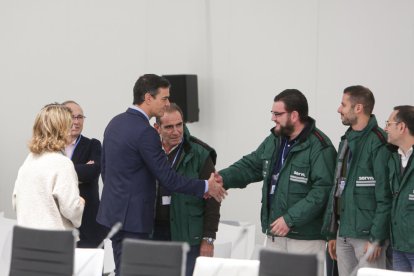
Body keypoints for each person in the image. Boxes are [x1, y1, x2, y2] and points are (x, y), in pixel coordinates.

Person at [97, 74, 226, 275]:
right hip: (137, 222)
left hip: (114, 217)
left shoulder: (115, 123)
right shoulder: (145, 132)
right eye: (164, 99)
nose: (166, 104)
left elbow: (105, 169)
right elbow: (168, 178)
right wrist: (206, 186)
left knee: (123, 270)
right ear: (148, 98)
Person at [217, 89, 336, 263]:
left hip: (305, 239)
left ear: (294, 115)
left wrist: (290, 219)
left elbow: (322, 191)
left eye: (277, 114)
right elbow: (251, 165)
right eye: (272, 113)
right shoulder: (275, 139)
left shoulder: (320, 147)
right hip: (275, 233)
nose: (273, 118)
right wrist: (223, 178)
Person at [322, 85, 392, 276]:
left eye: (343, 104)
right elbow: (337, 188)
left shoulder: (379, 142)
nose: (339, 109)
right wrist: (333, 232)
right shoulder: (346, 140)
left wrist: (377, 237)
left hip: (367, 237)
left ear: (358, 108)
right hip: (343, 233)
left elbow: (386, 195)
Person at [153, 103, 220, 276]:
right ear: (157, 128)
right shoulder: (149, 151)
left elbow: (213, 198)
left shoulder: (200, 153)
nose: (176, 131)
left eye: (179, 125)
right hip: (153, 232)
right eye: (169, 127)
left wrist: (208, 239)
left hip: (188, 235)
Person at [12, 103, 85, 231]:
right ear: (62, 129)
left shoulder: (29, 160)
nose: (72, 126)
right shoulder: (62, 164)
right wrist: (80, 203)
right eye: (69, 124)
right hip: (53, 242)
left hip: (26, 238)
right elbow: (71, 209)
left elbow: (15, 202)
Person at [63, 100, 106, 248]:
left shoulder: (93, 145)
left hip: (88, 223)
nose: (76, 121)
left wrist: (60, 173)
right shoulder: (52, 147)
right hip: (61, 222)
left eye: (79, 117)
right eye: (72, 116)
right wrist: (79, 169)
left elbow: (91, 173)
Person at [385, 105, 414, 272]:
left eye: (389, 124)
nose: (385, 128)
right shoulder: (394, 159)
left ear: (401, 127)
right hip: (398, 246)